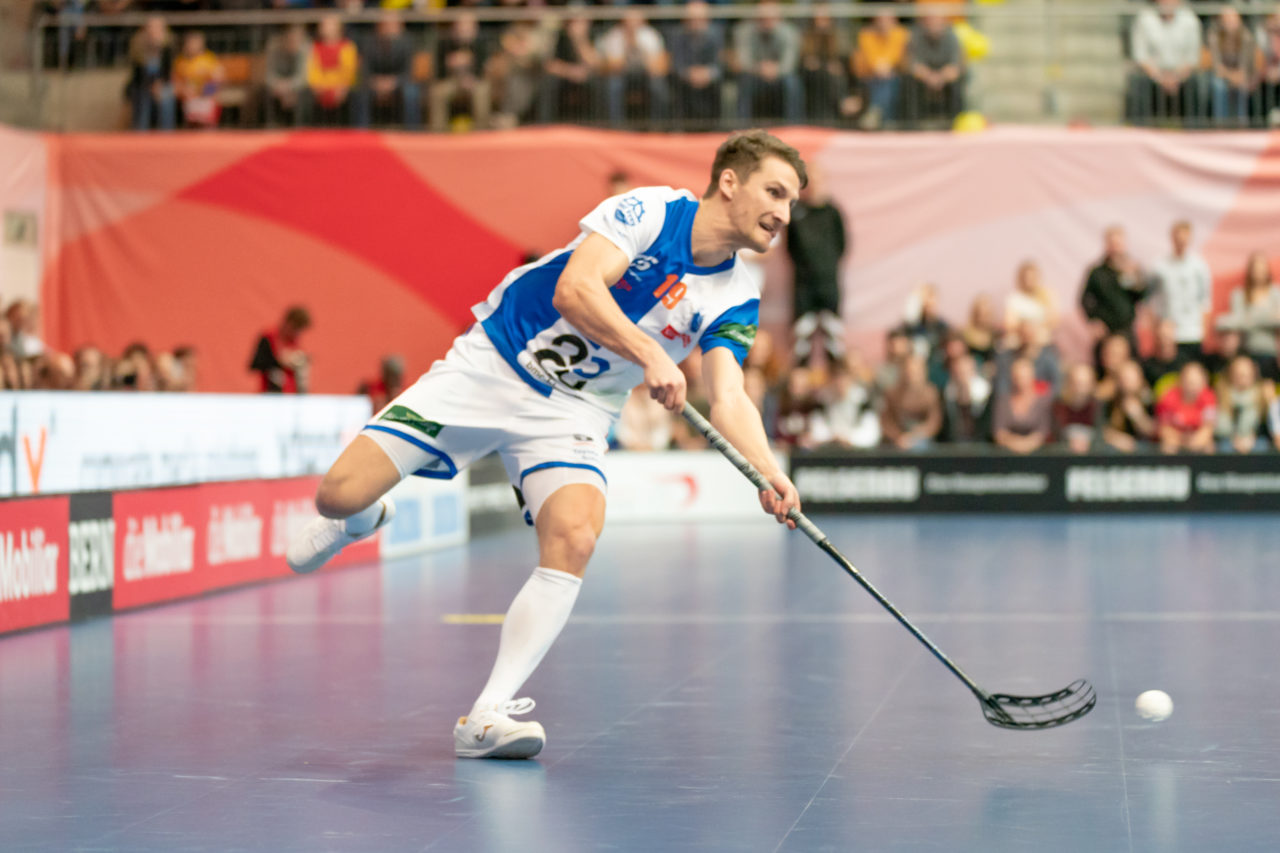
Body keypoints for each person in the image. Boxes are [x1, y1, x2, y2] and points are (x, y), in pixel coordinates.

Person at [283, 130, 806, 760]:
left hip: (574, 408)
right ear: (729, 181)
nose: (784, 213)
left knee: (576, 535)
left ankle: (486, 715)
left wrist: (768, 471)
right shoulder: (652, 211)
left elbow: (729, 395)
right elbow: (575, 289)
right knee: (338, 494)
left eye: (792, 201)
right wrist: (649, 354)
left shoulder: (739, 293)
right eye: (775, 192)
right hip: (496, 360)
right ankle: (361, 520)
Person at [785, 164, 847, 367]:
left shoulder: (833, 212)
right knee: (802, 340)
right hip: (803, 287)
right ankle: (800, 380)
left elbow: (842, 246)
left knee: (833, 340)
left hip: (829, 285)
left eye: (817, 180)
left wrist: (826, 267)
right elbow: (790, 248)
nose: (814, 185)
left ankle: (836, 378)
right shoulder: (796, 212)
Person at [1080, 225, 1150, 363]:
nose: (1115, 248)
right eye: (1112, 244)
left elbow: (1142, 296)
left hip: (1126, 330)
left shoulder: (1132, 268)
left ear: (1124, 245)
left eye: (1118, 244)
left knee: (1131, 365)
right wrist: (1093, 320)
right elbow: (1084, 299)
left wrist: (1134, 279)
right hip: (1105, 331)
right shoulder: (1097, 272)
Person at [1127, 0, 1203, 123]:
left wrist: (1176, 77)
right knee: (1138, 81)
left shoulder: (1189, 19)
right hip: (1152, 74)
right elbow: (1140, 56)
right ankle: (1142, 127)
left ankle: (1194, 128)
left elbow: (1192, 57)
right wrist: (1160, 77)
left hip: (1181, 74)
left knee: (1197, 82)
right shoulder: (1144, 18)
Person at [1152, 220, 1213, 362]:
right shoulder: (1160, 266)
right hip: (1168, 335)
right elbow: (1153, 302)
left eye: (1185, 238)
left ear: (1190, 239)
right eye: (1178, 237)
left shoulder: (1199, 266)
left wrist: (1203, 332)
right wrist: (1158, 331)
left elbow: (1205, 302)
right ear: (1172, 238)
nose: (1181, 241)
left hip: (1193, 333)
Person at [733, 1, 803, 123]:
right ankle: (742, 126)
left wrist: (775, 69)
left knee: (791, 82)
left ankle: (793, 125)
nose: (766, 22)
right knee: (744, 81)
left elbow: (789, 63)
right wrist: (759, 68)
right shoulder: (744, 31)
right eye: (763, 18)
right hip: (755, 75)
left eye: (770, 18)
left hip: (780, 75)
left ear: (779, 18)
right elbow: (744, 61)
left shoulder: (789, 32)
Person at [597, 9, 669, 127]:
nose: (632, 25)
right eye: (629, 22)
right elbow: (613, 66)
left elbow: (657, 68)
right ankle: (617, 127)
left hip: (645, 74)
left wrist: (638, 47)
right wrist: (627, 46)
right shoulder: (615, 36)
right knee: (613, 86)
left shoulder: (650, 35)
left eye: (635, 21)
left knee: (658, 87)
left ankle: (657, 126)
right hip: (622, 74)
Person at [355, 10, 420, 130]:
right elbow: (364, 69)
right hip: (374, 83)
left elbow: (409, 71)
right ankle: (361, 131)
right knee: (361, 92)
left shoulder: (407, 42)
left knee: (411, 92)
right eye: (386, 24)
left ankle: (412, 131)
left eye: (392, 25)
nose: (389, 28)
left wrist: (393, 82)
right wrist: (375, 82)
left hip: (399, 83)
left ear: (400, 26)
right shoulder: (369, 42)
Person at [538, 8, 600, 125]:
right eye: (575, 21)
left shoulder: (593, 36)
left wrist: (579, 40)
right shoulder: (560, 37)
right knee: (548, 82)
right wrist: (570, 71)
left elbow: (595, 64)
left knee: (601, 83)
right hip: (564, 77)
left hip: (586, 77)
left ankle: (597, 124)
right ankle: (546, 124)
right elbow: (549, 64)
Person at [668, 1, 725, 129]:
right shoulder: (677, 35)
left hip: (708, 78)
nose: (695, 23)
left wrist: (707, 73)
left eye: (699, 19)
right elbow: (676, 64)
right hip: (684, 79)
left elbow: (719, 64)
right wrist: (689, 74)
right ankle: (679, 128)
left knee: (718, 83)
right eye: (692, 19)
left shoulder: (716, 35)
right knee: (675, 84)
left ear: (707, 20)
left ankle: (715, 129)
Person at [1218, 251, 1280, 359]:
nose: (1259, 272)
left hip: (1270, 353)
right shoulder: (1239, 295)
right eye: (1256, 269)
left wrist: (1249, 319)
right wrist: (1267, 318)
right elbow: (1229, 322)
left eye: (1262, 268)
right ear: (1250, 271)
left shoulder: (1275, 293)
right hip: (1246, 352)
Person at [903, 14, 964, 124]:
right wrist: (929, 76)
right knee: (910, 81)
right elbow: (912, 64)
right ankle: (914, 123)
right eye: (930, 22)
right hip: (923, 77)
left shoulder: (952, 37)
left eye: (937, 22)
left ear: (943, 23)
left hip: (944, 76)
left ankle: (955, 121)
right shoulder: (916, 36)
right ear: (924, 24)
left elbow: (955, 66)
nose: (933, 26)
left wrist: (940, 77)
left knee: (957, 82)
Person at [854, 12, 909, 129]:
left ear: (894, 21)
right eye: (881, 20)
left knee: (888, 82)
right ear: (875, 21)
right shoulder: (866, 34)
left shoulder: (900, 33)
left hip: (893, 73)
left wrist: (886, 66)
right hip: (870, 75)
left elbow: (896, 54)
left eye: (887, 20)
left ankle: (875, 112)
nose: (884, 24)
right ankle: (887, 121)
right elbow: (869, 55)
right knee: (885, 83)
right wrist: (879, 67)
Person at [880, 354, 942, 450]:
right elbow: (886, 421)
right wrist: (898, 436)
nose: (911, 376)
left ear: (923, 372)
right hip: (897, 440)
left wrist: (916, 435)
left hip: (922, 438)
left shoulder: (931, 393)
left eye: (915, 372)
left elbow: (934, 422)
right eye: (908, 371)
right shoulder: (892, 394)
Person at [1208, 7, 1258, 125]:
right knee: (1218, 85)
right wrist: (1231, 76)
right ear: (1221, 22)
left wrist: (1237, 77)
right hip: (1222, 76)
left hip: (1241, 75)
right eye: (1227, 19)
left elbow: (1245, 67)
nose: (1230, 23)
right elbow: (1217, 67)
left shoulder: (1246, 38)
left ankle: (1241, 124)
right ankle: (1221, 124)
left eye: (1233, 19)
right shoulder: (1214, 37)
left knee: (1242, 85)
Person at [125, 15, 176, 130]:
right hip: (142, 84)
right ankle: (141, 130)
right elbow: (138, 72)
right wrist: (151, 85)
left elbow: (168, 70)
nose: (154, 31)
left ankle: (167, 132)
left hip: (162, 83)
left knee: (166, 95)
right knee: (143, 98)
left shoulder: (168, 46)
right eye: (151, 27)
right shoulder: (138, 45)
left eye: (157, 28)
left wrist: (159, 83)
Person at [993, 357, 1052, 454]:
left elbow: (1043, 433)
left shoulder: (1042, 402)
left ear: (1032, 376)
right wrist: (1016, 445)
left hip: (1037, 456)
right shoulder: (1003, 401)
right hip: (1007, 456)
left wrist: (1025, 446)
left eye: (1023, 377)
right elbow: (999, 432)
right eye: (1016, 377)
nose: (1020, 381)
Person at [307, 14, 358, 125]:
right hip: (321, 86)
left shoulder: (347, 47)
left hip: (341, 87)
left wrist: (343, 87)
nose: (324, 28)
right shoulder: (315, 47)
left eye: (328, 25)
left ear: (338, 28)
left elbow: (349, 71)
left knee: (356, 94)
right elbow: (312, 70)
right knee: (305, 93)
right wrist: (318, 86)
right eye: (323, 25)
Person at [1156, 361, 1217, 453]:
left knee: (1209, 446)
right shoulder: (1168, 398)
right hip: (1175, 439)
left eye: (1196, 382)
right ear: (1181, 381)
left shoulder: (1209, 397)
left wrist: (1195, 442)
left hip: (1197, 439)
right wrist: (1181, 440)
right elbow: (1164, 429)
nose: (1192, 387)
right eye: (1189, 382)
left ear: (1204, 382)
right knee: (1168, 446)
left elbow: (1208, 427)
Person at [250, 305, 312, 393]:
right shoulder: (269, 337)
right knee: (276, 376)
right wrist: (279, 361)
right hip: (271, 393)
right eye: (295, 329)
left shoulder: (293, 342)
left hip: (291, 395)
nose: (297, 334)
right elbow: (256, 364)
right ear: (289, 323)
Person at [1215, 354, 1269, 452]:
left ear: (1253, 375)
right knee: (1224, 447)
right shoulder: (1220, 394)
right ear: (1230, 375)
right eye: (1238, 375)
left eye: (1246, 375)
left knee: (1262, 446)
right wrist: (1234, 439)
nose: (1242, 379)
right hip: (1227, 441)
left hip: (1255, 441)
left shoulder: (1263, 396)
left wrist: (1252, 437)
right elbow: (1216, 429)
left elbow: (1268, 428)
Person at [1103, 360, 1158, 452]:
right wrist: (1117, 439)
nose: (1126, 383)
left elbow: (1154, 432)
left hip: (1144, 449)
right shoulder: (1111, 401)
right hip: (1116, 449)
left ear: (1140, 380)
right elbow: (1102, 429)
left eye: (1130, 379)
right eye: (1123, 379)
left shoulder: (1148, 399)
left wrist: (1138, 416)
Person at [172, 30, 223, 128]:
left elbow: (218, 78)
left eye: (195, 43)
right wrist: (184, 90)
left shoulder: (208, 59)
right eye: (189, 43)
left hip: (205, 94)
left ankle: (207, 126)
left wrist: (205, 92)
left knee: (210, 100)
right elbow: (175, 81)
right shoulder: (181, 61)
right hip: (189, 95)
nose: (191, 46)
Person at [262, 24, 311, 127]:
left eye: (296, 41)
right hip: (277, 87)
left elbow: (303, 77)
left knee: (304, 93)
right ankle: (271, 126)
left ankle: (299, 127)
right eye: (290, 40)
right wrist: (278, 87)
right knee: (264, 92)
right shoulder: (274, 47)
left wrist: (288, 87)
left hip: (295, 88)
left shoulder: (303, 49)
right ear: (285, 38)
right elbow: (268, 75)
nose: (293, 43)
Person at [1052, 363, 1100, 453]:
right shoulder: (1058, 406)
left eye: (1085, 383)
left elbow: (1101, 436)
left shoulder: (1098, 407)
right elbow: (1053, 437)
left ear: (1092, 384)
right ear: (1069, 383)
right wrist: (1068, 444)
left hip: (1093, 457)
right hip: (1062, 456)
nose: (1081, 388)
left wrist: (1089, 444)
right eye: (1077, 383)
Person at [1004, 260, 1058, 332]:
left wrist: (1036, 327)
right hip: (1021, 335)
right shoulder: (1015, 298)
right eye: (1026, 278)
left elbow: (1054, 320)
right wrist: (1025, 327)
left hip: (1042, 334)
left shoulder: (1046, 295)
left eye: (1032, 277)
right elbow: (1009, 324)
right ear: (1021, 279)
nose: (1029, 281)